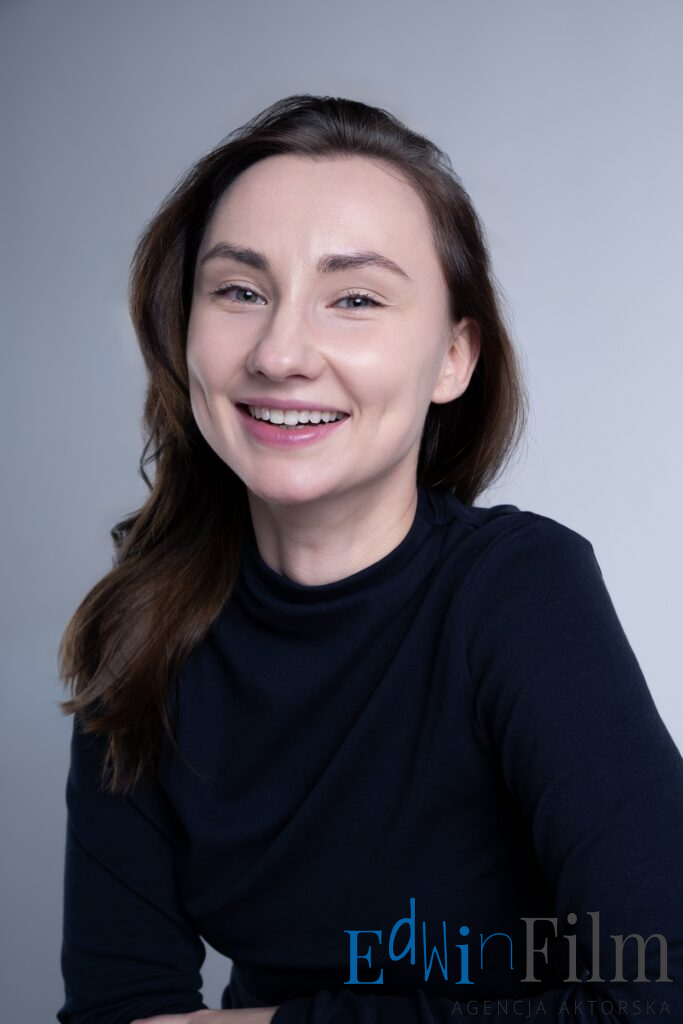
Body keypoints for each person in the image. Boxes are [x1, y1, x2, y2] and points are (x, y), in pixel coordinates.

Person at [56, 94, 683, 1024]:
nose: (281, 353)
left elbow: (659, 999)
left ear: (453, 358)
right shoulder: (141, 628)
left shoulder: (518, 590)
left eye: (353, 299)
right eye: (239, 291)